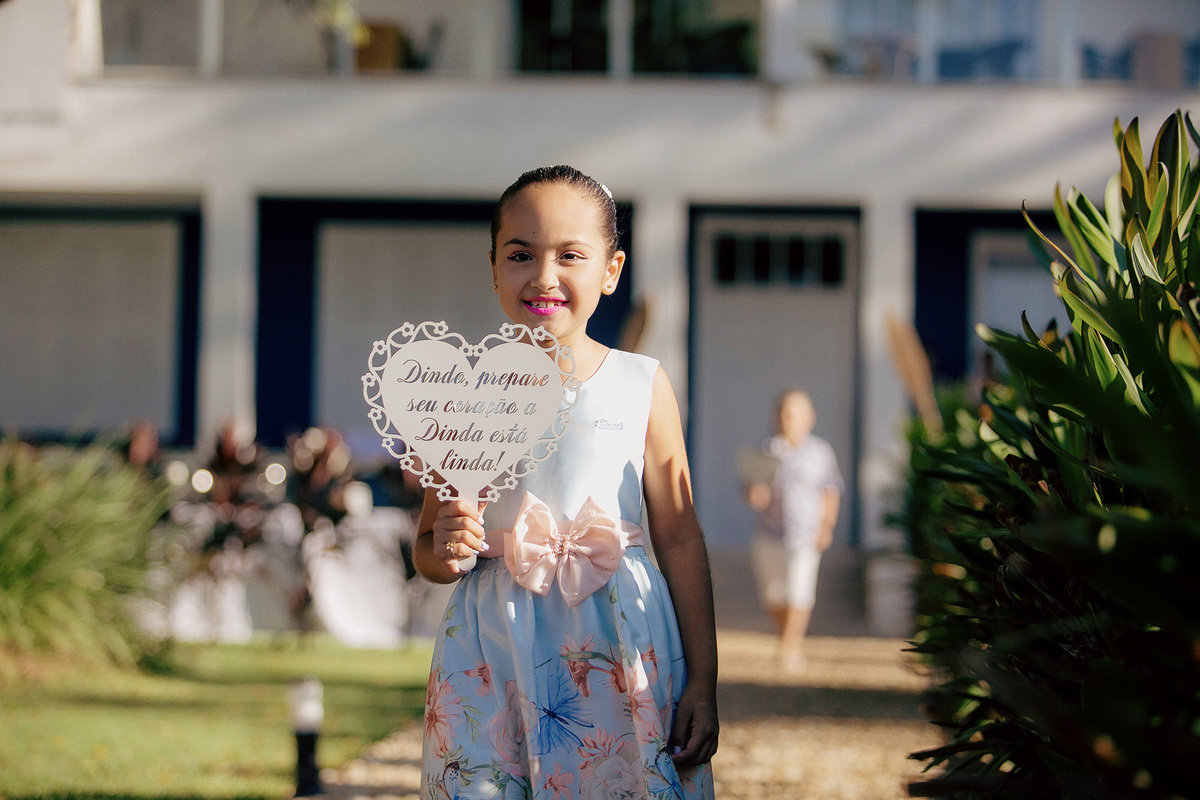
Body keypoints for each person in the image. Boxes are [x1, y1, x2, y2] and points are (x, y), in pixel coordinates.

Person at [412, 165, 718, 799]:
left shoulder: (641, 385)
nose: (544, 276)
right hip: (491, 649)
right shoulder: (461, 395)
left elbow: (681, 536)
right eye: (521, 254)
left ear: (611, 270)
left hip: (615, 646)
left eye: (570, 256)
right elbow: (429, 551)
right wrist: (445, 546)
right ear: (493, 267)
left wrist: (703, 680)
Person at [743, 388, 842, 672]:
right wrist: (754, 494)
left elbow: (830, 490)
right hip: (769, 534)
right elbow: (751, 488)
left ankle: (789, 648)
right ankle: (786, 640)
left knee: (799, 591)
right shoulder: (765, 449)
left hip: (804, 534)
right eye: (785, 414)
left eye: (796, 414)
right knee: (773, 595)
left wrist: (826, 525)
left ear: (810, 418)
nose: (790, 420)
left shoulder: (821, 452)